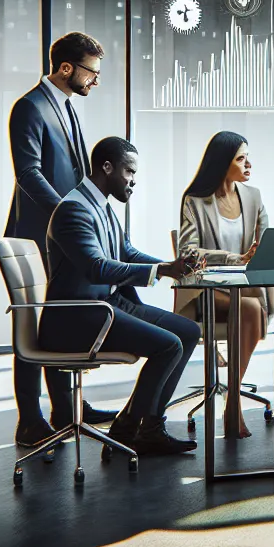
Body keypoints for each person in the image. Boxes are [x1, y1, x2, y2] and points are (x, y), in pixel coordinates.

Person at [38, 136, 205, 456]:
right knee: (168, 345)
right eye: (129, 171)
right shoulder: (73, 210)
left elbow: (125, 252)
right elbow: (96, 268)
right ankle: (128, 430)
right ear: (106, 167)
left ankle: (150, 426)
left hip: (107, 305)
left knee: (188, 330)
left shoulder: (99, 205)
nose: (133, 181)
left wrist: (169, 267)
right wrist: (162, 271)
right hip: (78, 315)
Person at [2, 31, 117, 447]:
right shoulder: (30, 108)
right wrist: (68, 215)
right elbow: (28, 174)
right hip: (37, 235)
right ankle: (29, 420)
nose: (95, 81)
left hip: (64, 238)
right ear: (66, 67)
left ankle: (69, 410)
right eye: (91, 72)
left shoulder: (67, 107)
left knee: (61, 321)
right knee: (33, 324)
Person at [175, 131, 268, 440]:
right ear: (221, 163)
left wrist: (260, 253)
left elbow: (265, 242)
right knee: (252, 308)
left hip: (244, 288)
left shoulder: (252, 196)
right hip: (206, 289)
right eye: (240, 159)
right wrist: (233, 257)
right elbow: (187, 253)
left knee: (252, 304)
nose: (248, 164)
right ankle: (234, 405)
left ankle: (232, 396)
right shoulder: (196, 200)